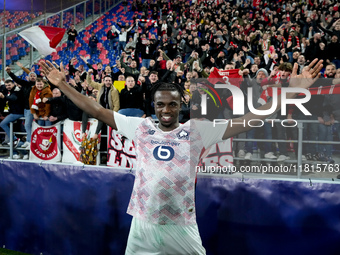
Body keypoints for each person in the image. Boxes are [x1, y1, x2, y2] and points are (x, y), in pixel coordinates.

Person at [40, 58, 323, 254]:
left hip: (181, 225)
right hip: (143, 223)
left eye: (172, 104)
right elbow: (96, 110)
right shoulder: (139, 127)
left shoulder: (198, 131)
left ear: (180, 105)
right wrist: (64, 86)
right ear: (153, 106)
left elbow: (250, 118)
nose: (166, 109)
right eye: (161, 104)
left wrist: (294, 90)